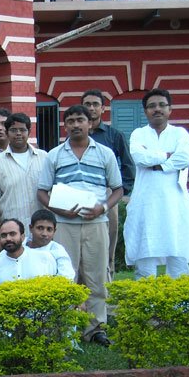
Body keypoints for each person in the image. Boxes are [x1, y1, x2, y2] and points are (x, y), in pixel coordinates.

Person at [37, 104, 124, 346]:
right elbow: (42, 192)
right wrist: (58, 209)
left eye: (80, 120)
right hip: (65, 223)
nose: (76, 125)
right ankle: (68, 327)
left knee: (96, 276)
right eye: (71, 121)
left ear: (90, 123)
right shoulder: (54, 155)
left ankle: (95, 329)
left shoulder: (105, 153)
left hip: (97, 221)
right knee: (68, 277)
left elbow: (118, 189)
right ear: (64, 126)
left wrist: (103, 208)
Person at [125, 88, 189, 279]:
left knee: (178, 256)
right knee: (145, 257)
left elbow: (185, 158)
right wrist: (167, 155)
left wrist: (158, 164)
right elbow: (140, 157)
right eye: (152, 106)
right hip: (145, 202)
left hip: (175, 203)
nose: (157, 109)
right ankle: (146, 307)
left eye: (162, 105)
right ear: (145, 111)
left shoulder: (180, 134)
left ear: (170, 109)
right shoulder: (138, 134)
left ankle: (180, 307)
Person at [82, 89, 135, 279]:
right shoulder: (76, 135)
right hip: (82, 193)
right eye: (87, 104)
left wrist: (120, 192)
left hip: (107, 194)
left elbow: (129, 166)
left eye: (95, 104)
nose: (91, 108)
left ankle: (108, 281)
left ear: (103, 108)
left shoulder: (114, 136)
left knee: (109, 239)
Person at [0, 112, 47, 255]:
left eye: (22, 130)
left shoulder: (44, 158)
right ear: (7, 132)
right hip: (11, 234)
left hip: (41, 230)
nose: (18, 134)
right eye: (13, 130)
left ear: (29, 132)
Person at [0, 219, 58, 285]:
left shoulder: (44, 258)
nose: (8, 238)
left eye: (12, 234)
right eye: (4, 235)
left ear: (22, 237)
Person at [27, 209, 75, 280]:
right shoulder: (21, 246)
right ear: (31, 228)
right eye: (40, 228)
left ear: (54, 231)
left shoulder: (57, 250)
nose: (44, 234)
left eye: (49, 229)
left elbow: (67, 277)